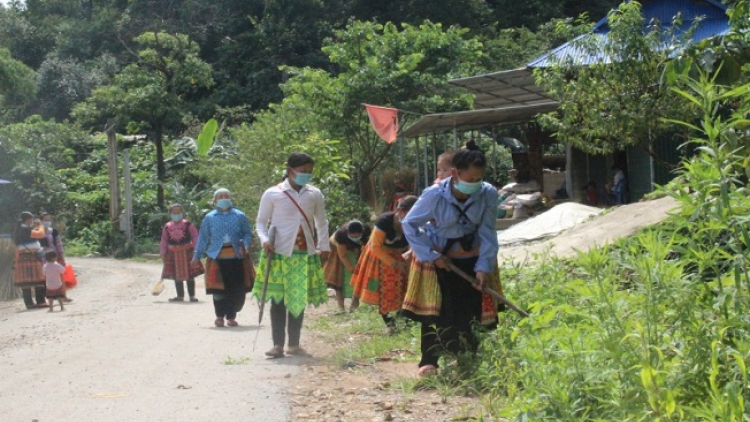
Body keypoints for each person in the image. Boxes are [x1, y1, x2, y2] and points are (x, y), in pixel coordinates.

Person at [402, 141, 500, 377]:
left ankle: (465, 357)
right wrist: (432, 256)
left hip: (472, 258)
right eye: (471, 178)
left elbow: (488, 231)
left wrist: (483, 267)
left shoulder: (487, 193)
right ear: (455, 173)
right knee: (435, 310)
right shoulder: (433, 195)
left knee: (469, 309)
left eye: (479, 178)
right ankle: (430, 360)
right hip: (439, 260)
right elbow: (410, 224)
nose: (475, 183)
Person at [254, 153, 330, 358]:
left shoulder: (314, 194)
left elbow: (321, 222)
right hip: (277, 253)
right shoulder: (272, 193)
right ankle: (277, 345)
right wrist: (264, 240)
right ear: (290, 171)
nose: (306, 175)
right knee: (277, 300)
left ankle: (294, 345)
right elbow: (261, 222)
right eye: (303, 171)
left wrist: (324, 247)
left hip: (303, 254)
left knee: (298, 299)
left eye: (309, 172)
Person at [350, 195, 418, 333]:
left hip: (404, 256)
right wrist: (393, 263)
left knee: (407, 288)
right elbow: (376, 246)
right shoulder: (384, 222)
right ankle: (391, 325)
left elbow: (417, 241)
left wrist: (410, 253)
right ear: (400, 211)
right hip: (381, 256)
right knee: (386, 290)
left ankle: (403, 321)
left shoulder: (417, 222)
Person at [191, 189, 254, 327]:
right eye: (220, 197)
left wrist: (245, 245)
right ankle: (219, 316)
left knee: (236, 289)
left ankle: (231, 316)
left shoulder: (240, 216)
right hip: (216, 258)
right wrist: (196, 256)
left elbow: (248, 233)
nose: (224, 198)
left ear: (231, 199)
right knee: (218, 289)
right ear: (214, 201)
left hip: (237, 257)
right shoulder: (209, 218)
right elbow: (202, 239)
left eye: (226, 196)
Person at [323, 220, 371, 313]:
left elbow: (366, 249)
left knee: (359, 280)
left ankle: (354, 307)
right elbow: (343, 255)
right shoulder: (340, 235)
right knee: (339, 281)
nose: (356, 238)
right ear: (347, 233)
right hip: (338, 252)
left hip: (355, 250)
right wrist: (352, 269)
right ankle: (341, 307)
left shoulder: (366, 232)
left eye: (358, 236)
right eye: (353, 237)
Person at [161, 204, 204, 302]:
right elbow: (164, 241)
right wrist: (163, 254)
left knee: (190, 275)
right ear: (170, 214)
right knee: (177, 276)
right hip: (173, 253)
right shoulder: (167, 226)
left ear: (182, 213)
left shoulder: (188, 224)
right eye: (174, 213)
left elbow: (195, 237)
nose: (176, 215)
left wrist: (196, 250)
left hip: (188, 252)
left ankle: (192, 296)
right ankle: (180, 296)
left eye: (178, 213)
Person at [13, 211, 47, 310]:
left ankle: (29, 304)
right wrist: (40, 226)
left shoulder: (20, 230)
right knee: (39, 280)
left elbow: (32, 234)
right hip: (31, 258)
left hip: (22, 259)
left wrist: (36, 227)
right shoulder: (25, 230)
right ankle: (40, 301)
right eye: (31, 219)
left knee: (25, 283)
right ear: (28, 220)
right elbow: (40, 234)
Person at [39, 212, 72, 302]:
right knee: (46, 279)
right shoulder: (37, 232)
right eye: (45, 220)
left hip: (55, 257)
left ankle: (63, 296)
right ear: (41, 221)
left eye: (49, 220)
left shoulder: (54, 231)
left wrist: (61, 256)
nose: (48, 221)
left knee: (60, 277)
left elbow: (58, 244)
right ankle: (49, 299)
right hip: (43, 258)